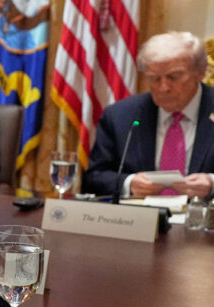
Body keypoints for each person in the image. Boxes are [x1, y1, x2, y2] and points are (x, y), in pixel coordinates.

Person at [83, 31, 214, 199]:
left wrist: (212, 183)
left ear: (200, 72)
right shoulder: (120, 116)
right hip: (139, 213)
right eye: (154, 78)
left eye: (174, 77)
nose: (163, 88)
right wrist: (129, 183)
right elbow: (93, 178)